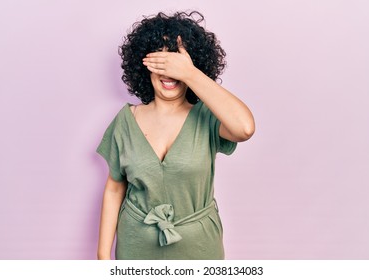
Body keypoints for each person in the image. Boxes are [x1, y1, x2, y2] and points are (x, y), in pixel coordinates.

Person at [96, 11, 255, 260]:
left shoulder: (207, 117)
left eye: (177, 62)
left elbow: (244, 128)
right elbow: (115, 187)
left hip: (200, 247)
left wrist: (190, 74)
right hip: (135, 245)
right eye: (161, 60)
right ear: (144, 65)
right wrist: (102, 257)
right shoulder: (126, 121)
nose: (169, 71)